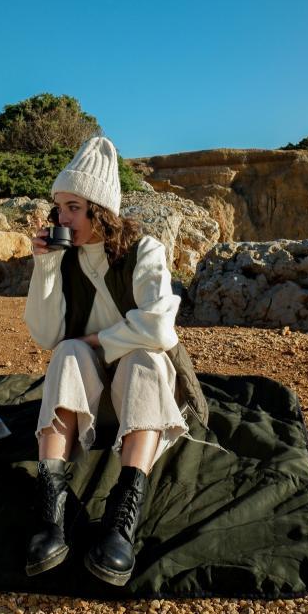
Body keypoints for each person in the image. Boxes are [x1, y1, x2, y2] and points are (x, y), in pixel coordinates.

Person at [23, 136, 209, 586]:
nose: (61, 218)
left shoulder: (144, 250)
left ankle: (123, 513)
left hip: (142, 395)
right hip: (88, 397)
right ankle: (52, 513)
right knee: (66, 350)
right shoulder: (63, 259)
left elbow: (161, 329)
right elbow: (46, 335)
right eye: (59, 208)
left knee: (142, 359)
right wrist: (44, 268)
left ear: (99, 208)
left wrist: (98, 341)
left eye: (71, 207)